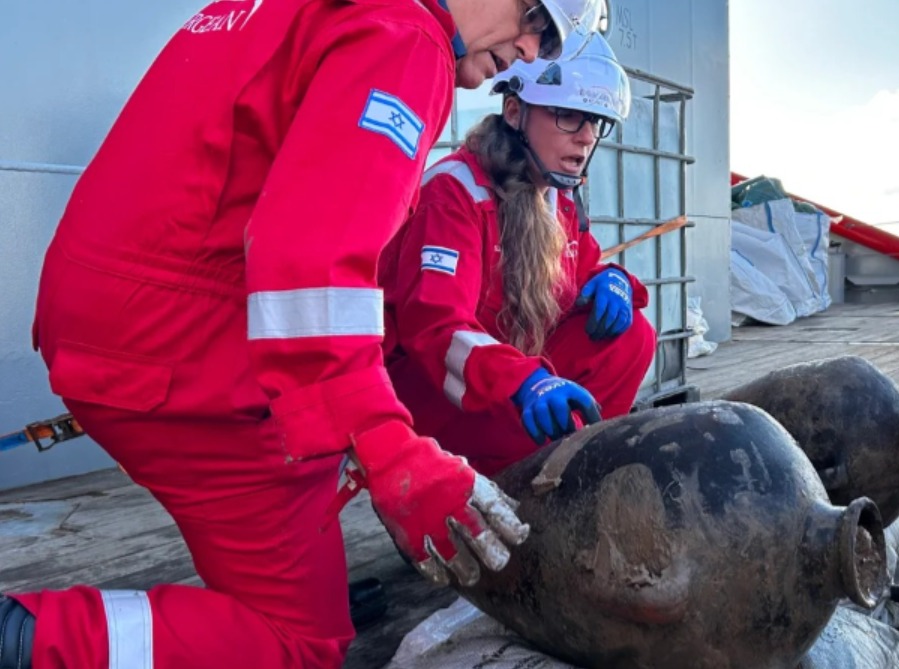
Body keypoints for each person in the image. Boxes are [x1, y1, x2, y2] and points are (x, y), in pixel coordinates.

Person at [2, 1, 607, 668]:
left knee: (299, 541)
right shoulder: (406, 38)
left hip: (120, 321)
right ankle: (28, 635)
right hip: (182, 348)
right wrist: (387, 445)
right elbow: (312, 263)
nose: (529, 51)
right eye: (533, 19)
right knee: (298, 640)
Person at [380, 33, 656, 476]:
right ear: (514, 112)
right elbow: (436, 329)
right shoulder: (454, 193)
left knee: (632, 337)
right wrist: (523, 382)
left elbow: (582, 268)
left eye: (595, 122)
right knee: (538, 428)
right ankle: (519, 482)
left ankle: (562, 464)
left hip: (502, 381)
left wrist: (615, 280)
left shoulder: (555, 198)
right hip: (439, 393)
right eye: (568, 115)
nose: (586, 138)